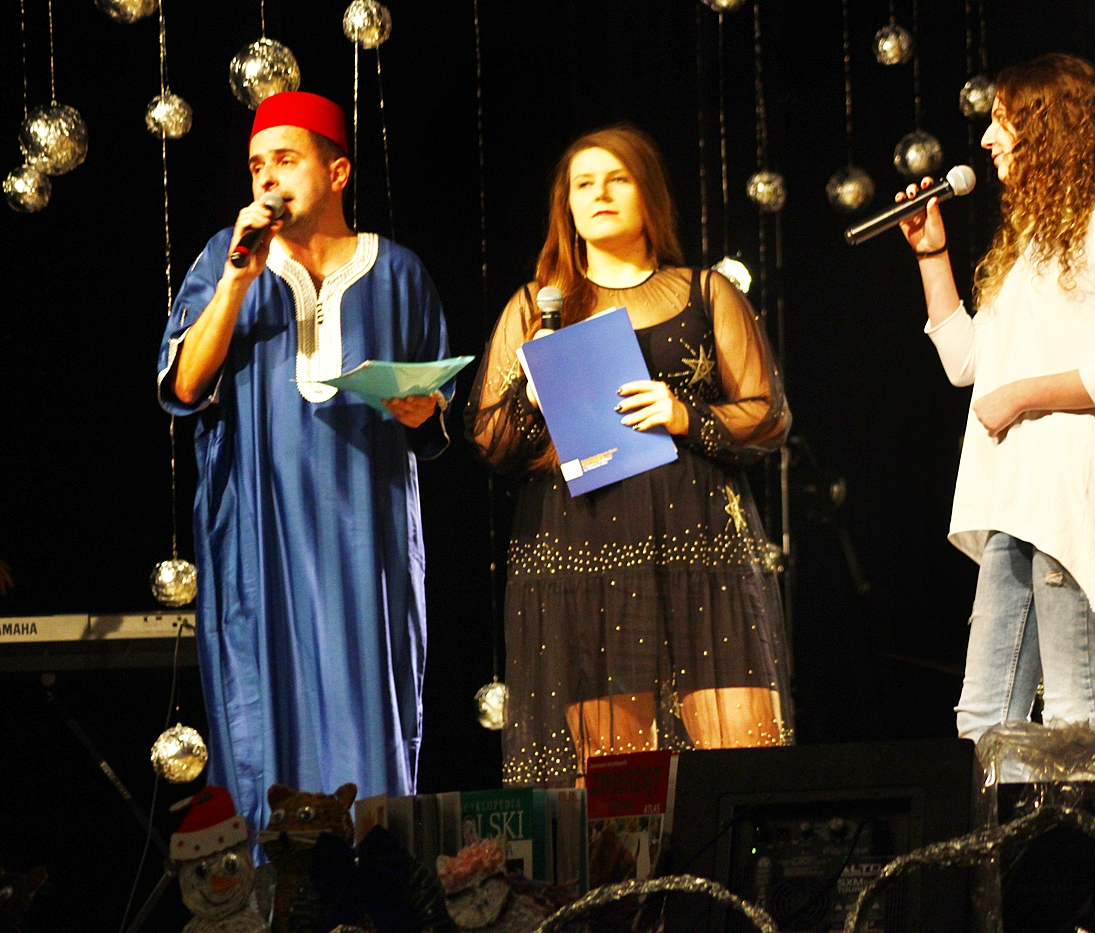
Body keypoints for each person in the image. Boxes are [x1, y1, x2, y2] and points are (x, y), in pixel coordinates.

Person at [158, 91, 452, 827]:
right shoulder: (225, 260)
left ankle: (374, 874)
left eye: (286, 160)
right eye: (256, 164)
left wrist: (425, 409)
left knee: (370, 728)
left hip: (367, 540)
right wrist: (238, 278)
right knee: (267, 731)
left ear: (338, 171)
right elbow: (185, 384)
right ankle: (275, 883)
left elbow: (437, 403)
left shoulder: (399, 273)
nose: (267, 178)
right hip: (260, 537)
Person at [466, 125, 793, 787]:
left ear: (650, 196)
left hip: (701, 553)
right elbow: (489, 440)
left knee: (743, 769)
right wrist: (530, 397)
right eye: (583, 184)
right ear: (566, 206)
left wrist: (685, 414)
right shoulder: (535, 308)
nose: (600, 194)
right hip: (585, 559)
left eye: (617, 178)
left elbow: (767, 414)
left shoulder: (706, 293)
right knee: (620, 793)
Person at [897, 54, 1095, 746]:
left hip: (1068, 496)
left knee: (1073, 713)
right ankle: (993, 824)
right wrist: (932, 254)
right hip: (1013, 501)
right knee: (984, 719)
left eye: (1003, 121)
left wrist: (1022, 396)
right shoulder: (1029, 246)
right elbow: (966, 364)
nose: (988, 139)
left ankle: (1077, 824)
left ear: (1048, 126)